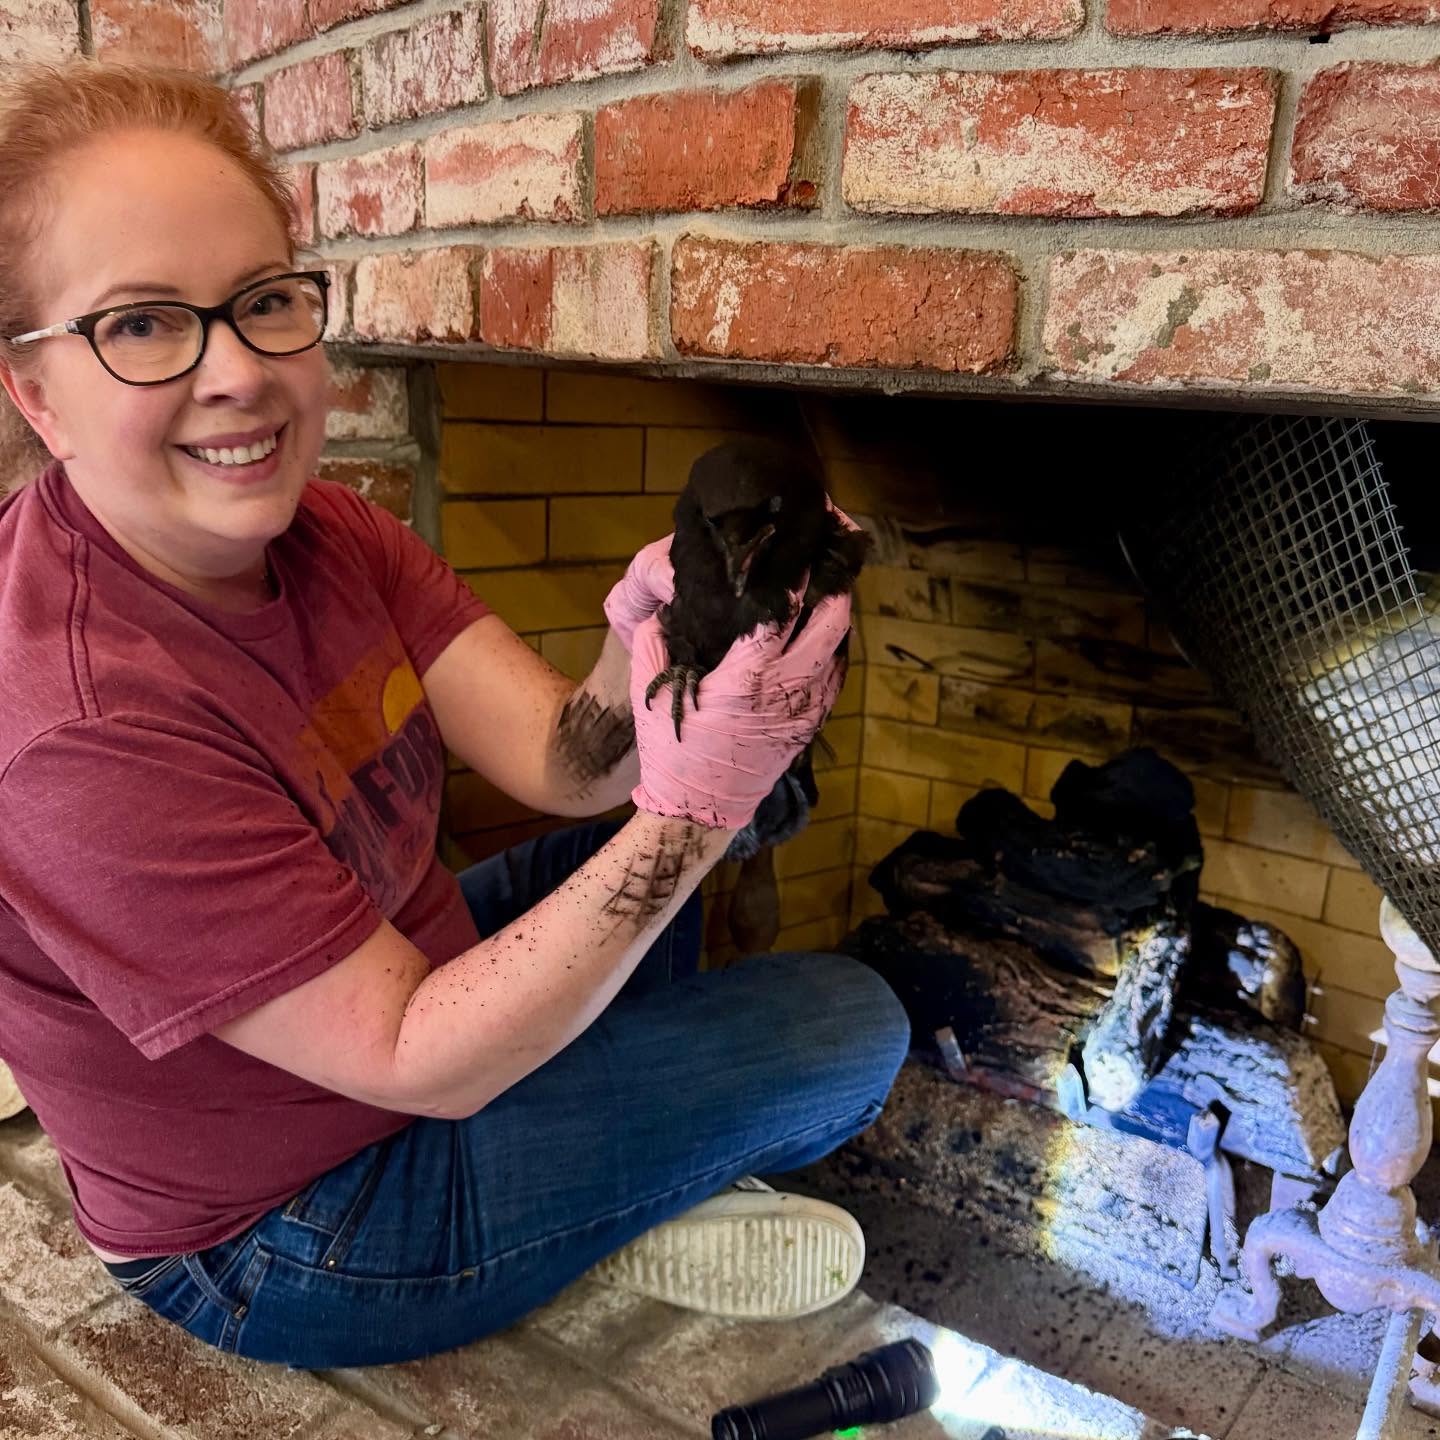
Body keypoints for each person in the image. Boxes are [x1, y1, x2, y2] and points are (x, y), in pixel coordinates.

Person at [0, 60, 909, 1370]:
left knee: (742, 805)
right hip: (290, 1227)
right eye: (143, 324)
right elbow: (423, 1061)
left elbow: (561, 763)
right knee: (850, 1026)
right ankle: (606, 1212)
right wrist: (696, 804)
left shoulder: (323, 528)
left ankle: (597, 1189)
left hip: (398, 987)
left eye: (264, 302)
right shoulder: (69, 730)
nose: (240, 375)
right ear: (35, 389)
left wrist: (647, 652)